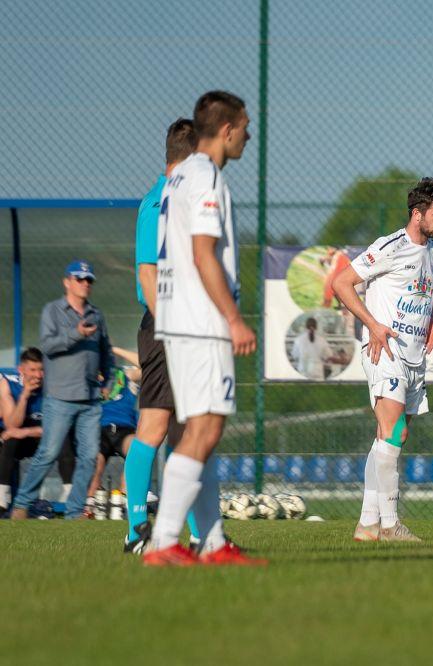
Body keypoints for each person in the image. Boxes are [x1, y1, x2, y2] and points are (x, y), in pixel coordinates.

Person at [143, 90, 263, 566]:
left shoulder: (177, 177)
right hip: (202, 321)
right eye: (246, 126)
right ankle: (164, 542)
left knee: (201, 432)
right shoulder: (208, 176)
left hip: (176, 320)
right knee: (206, 430)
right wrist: (233, 319)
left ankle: (211, 543)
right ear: (228, 129)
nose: (249, 135)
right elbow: (201, 252)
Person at [333, 177, 433, 542]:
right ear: (417, 214)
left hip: (415, 356)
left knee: (392, 437)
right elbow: (341, 283)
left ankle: (367, 525)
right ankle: (389, 524)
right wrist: (373, 325)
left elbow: (425, 292)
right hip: (386, 351)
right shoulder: (390, 246)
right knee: (393, 433)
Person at [121, 118, 199, 553]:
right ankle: (136, 530)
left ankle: (198, 531)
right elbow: (147, 275)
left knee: (188, 431)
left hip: (186, 324)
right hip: (165, 327)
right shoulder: (158, 204)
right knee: (154, 425)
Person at [9, 261, 114, 520]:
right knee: (48, 453)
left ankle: (75, 511)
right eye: (79, 279)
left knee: (89, 457)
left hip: (90, 400)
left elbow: (106, 352)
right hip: (59, 399)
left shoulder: (96, 314)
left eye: (89, 279)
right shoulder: (53, 311)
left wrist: (108, 381)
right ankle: (22, 504)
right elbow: (48, 346)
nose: (85, 283)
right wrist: (76, 333)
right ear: (67, 282)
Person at [0, 348, 77, 514]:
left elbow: (60, 426)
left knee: (63, 440)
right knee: (9, 440)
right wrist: (25, 395)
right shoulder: (7, 382)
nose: (38, 375)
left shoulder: (55, 386)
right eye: (33, 370)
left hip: (46, 437)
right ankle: (2, 498)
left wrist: (26, 432)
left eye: (42, 369)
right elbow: (12, 426)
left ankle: (71, 499)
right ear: (21, 370)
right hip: (19, 440)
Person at [85, 363, 140, 505]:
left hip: (125, 430)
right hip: (99, 430)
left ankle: (125, 501)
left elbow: (146, 367)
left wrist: (115, 349)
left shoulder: (124, 374)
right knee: (96, 462)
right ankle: (89, 506)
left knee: (136, 449)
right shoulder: (87, 381)